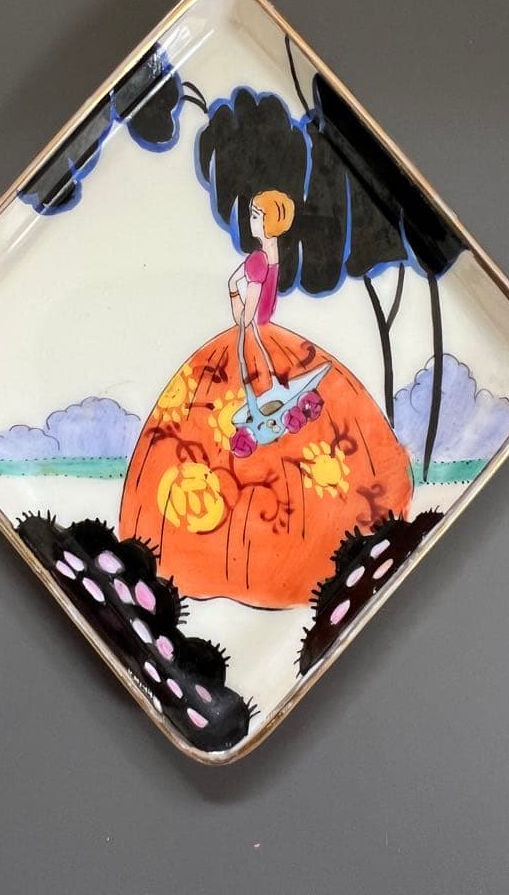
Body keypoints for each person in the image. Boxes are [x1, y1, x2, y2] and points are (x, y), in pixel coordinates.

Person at [120, 189, 413, 608]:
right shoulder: (272, 256)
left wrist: (235, 295)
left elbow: (247, 313)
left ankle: (244, 557)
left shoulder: (259, 260)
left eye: (258, 215)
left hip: (250, 342)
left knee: (214, 425)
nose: (252, 220)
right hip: (268, 341)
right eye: (254, 214)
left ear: (271, 221)